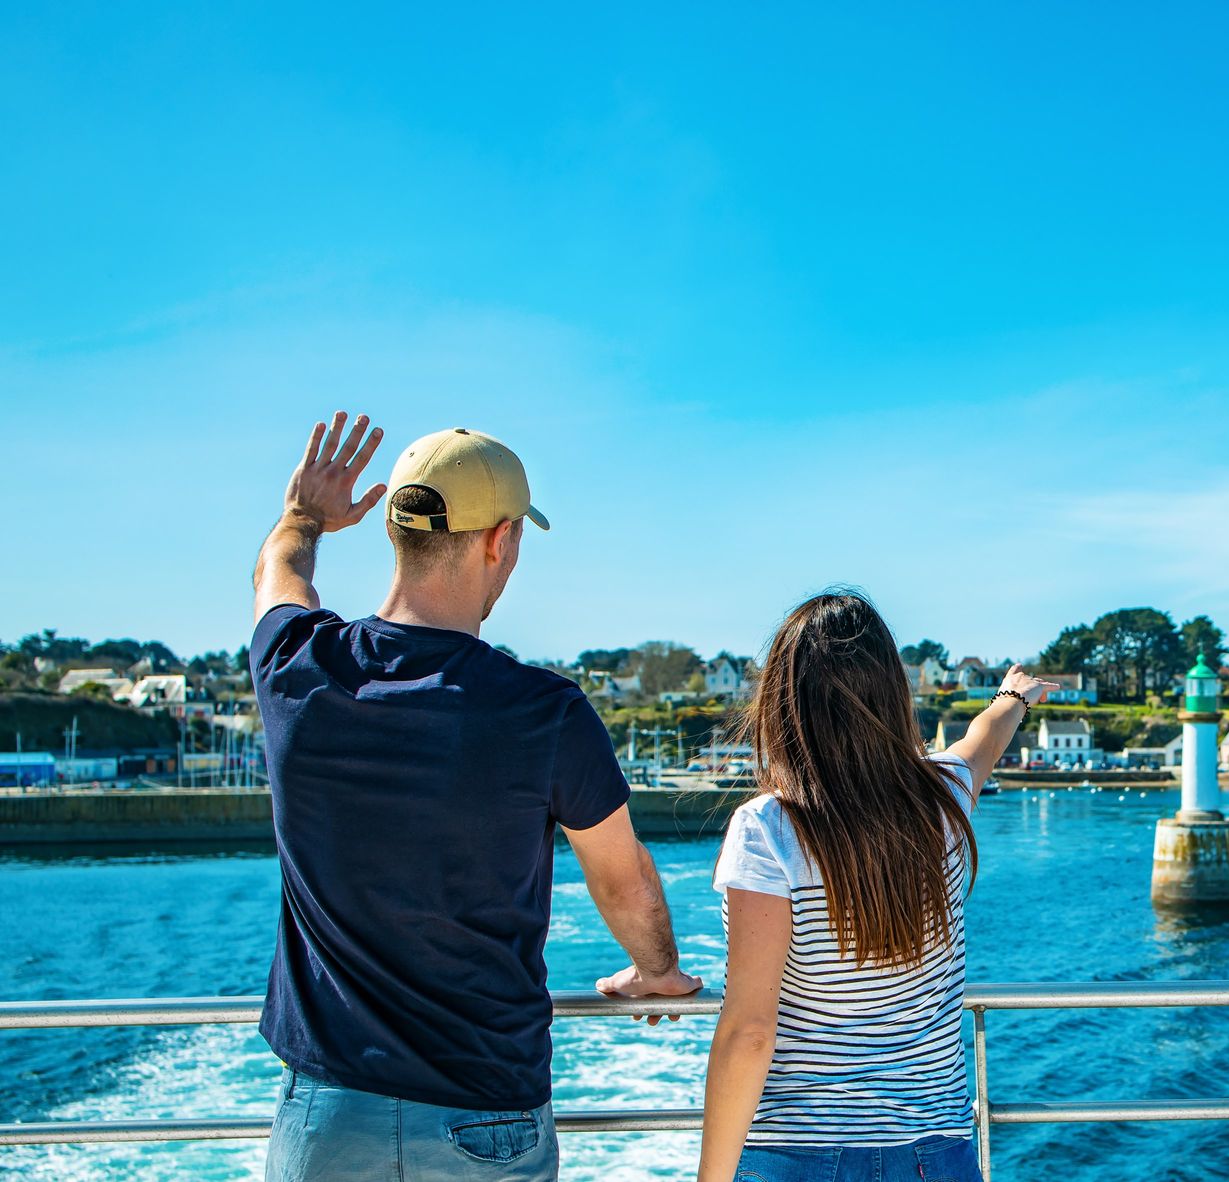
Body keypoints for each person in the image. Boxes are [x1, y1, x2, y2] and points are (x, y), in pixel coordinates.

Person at [249, 412, 701, 1181]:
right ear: (502, 542)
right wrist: (657, 967)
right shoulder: (544, 711)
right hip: (484, 1118)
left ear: (396, 532)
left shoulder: (299, 667)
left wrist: (304, 516)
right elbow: (621, 880)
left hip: (327, 1121)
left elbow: (278, 575)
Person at [696, 590, 1058, 1182]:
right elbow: (986, 738)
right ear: (892, 693)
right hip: (934, 1155)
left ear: (784, 703)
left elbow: (751, 1032)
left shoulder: (768, 829)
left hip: (799, 1155)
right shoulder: (943, 798)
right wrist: (1013, 695)